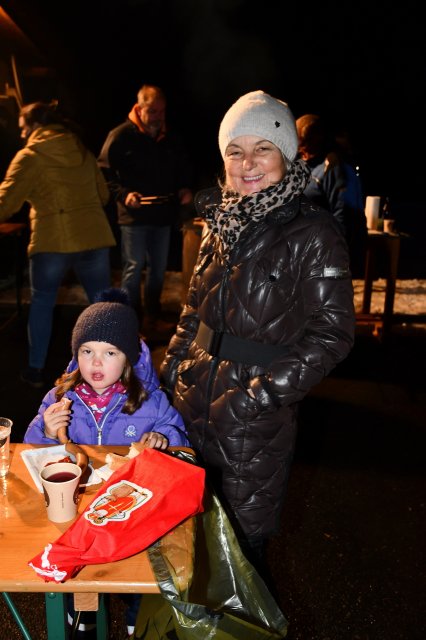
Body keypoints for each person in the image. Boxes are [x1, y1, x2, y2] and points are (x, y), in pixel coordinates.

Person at [160, 90, 355, 590]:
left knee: (240, 557)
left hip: (253, 419)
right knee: (182, 540)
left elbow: (333, 333)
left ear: (286, 153)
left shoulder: (315, 232)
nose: (247, 164)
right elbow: (191, 312)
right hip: (187, 401)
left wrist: (263, 396)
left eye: (262, 149)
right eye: (235, 151)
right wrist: (167, 375)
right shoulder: (217, 222)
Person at [24, 287, 189, 637]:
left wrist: (164, 442)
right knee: (75, 563)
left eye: (109, 352)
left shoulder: (151, 402)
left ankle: (136, 606)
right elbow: (30, 451)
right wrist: (47, 430)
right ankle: (80, 611)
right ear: (75, 355)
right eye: (87, 351)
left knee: (140, 563)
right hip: (79, 512)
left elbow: (181, 444)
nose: (96, 363)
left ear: (128, 357)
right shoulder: (59, 397)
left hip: (131, 513)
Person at [0, 101, 116, 388]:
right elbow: (103, 195)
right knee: (103, 306)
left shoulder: (30, 156)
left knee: (42, 302)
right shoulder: (83, 151)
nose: (22, 133)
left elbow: (7, 202)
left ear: (35, 126)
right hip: (93, 238)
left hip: (53, 240)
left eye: (23, 127)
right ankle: (119, 368)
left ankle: (35, 369)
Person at [97, 84, 193, 334]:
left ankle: (152, 317)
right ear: (139, 109)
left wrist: (183, 188)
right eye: (152, 111)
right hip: (133, 217)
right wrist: (124, 194)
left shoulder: (170, 137)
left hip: (162, 214)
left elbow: (182, 168)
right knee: (133, 267)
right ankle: (131, 322)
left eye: (162, 112)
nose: (158, 117)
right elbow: (104, 173)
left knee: (158, 270)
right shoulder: (120, 135)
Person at [296, 113, 368, 277]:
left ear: (313, 141)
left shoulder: (334, 167)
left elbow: (344, 215)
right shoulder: (309, 167)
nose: (300, 151)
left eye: (302, 145)